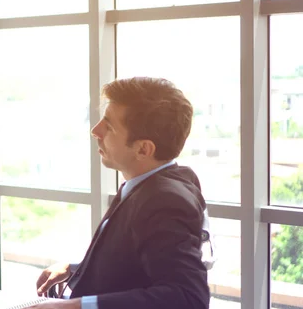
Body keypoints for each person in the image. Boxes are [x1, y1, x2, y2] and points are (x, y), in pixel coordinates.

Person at [32, 77, 210, 309]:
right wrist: (75, 269)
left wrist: (74, 306)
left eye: (109, 126)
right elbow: (139, 264)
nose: (95, 131)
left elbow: (187, 297)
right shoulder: (156, 182)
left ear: (143, 148)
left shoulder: (165, 200)